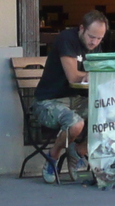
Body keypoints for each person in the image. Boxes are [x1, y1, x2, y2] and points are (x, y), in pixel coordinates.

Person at [31, 10, 107, 184]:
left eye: (99, 39)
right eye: (91, 36)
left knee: (111, 114)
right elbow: (73, 76)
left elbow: (97, 72)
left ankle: (79, 150)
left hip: (78, 100)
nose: (94, 42)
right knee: (76, 123)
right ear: (81, 28)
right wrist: (89, 75)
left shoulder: (95, 46)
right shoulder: (67, 39)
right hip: (48, 101)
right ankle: (53, 156)